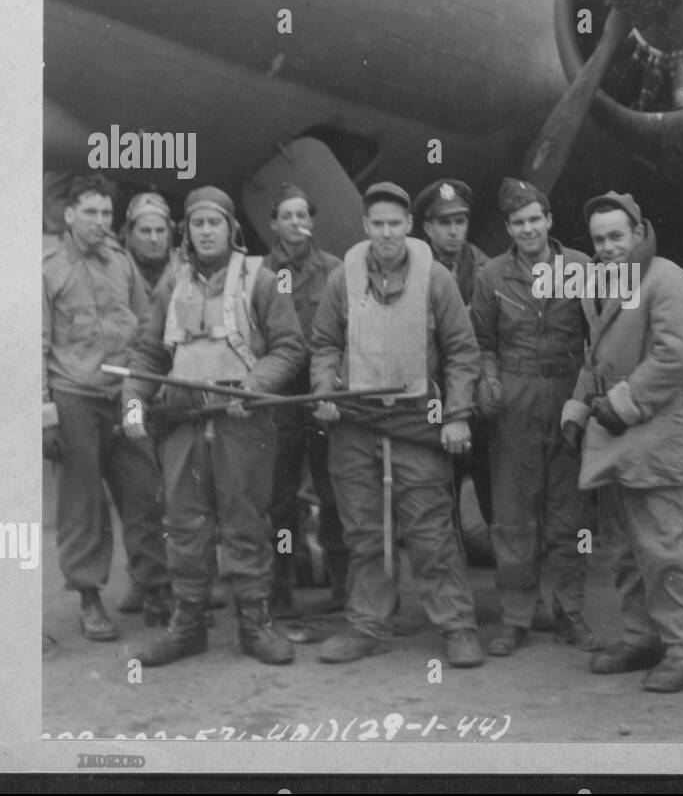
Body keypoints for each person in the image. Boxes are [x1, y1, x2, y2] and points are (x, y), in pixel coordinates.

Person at [122, 186, 306, 666]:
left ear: (232, 229)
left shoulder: (263, 278)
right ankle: (187, 626)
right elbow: (146, 354)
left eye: (215, 223)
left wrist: (254, 386)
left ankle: (255, 624)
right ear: (188, 230)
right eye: (198, 224)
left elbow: (289, 347)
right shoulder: (171, 283)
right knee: (184, 524)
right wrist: (133, 404)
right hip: (183, 420)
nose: (206, 232)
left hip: (243, 421)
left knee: (246, 522)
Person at [309, 182, 485, 668]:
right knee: (365, 531)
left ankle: (457, 625)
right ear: (365, 227)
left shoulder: (437, 279)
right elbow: (323, 343)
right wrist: (325, 388)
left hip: (415, 421)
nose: (386, 233)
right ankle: (368, 625)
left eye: (395, 224)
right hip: (355, 421)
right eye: (377, 224)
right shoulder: (340, 279)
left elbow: (462, 352)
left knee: (430, 531)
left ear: (409, 225)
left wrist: (456, 415)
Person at [560, 191, 683, 693]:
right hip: (612, 437)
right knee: (624, 550)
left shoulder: (667, 279)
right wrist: (578, 409)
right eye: (599, 239)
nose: (607, 247)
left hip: (654, 438)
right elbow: (594, 358)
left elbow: (677, 356)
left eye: (616, 236)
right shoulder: (602, 283)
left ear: (639, 231)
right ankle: (640, 637)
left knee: (662, 549)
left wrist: (623, 404)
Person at [469, 177, 600, 656]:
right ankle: (517, 616)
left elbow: (599, 338)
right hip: (515, 399)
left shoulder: (582, 268)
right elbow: (482, 341)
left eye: (534, 220)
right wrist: (488, 380)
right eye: (518, 222)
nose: (528, 229)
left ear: (549, 221)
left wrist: (585, 398)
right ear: (509, 227)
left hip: (567, 393)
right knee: (513, 515)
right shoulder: (492, 275)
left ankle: (571, 613)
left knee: (571, 516)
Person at [43, 174, 171, 640]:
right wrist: (46, 417)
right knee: (82, 505)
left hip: (124, 396)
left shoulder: (121, 262)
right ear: (70, 215)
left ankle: (156, 588)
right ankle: (89, 597)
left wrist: (141, 387)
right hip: (74, 396)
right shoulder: (48, 266)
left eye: (106, 214)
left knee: (143, 490)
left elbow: (143, 326)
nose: (100, 223)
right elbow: (35, 345)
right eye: (91, 213)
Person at [262, 183, 347, 618]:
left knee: (332, 489)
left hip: (321, 393)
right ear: (273, 223)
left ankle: (341, 584)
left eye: (303, 215)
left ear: (312, 222)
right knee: (281, 497)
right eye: (287, 216)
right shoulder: (259, 273)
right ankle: (280, 586)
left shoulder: (334, 270)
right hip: (279, 398)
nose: (296, 223)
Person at [413, 178, 495, 534]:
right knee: (437, 497)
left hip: (480, 397)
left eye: (459, 222)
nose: (453, 231)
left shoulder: (488, 270)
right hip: (434, 398)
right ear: (428, 228)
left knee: (493, 491)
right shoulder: (414, 271)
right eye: (444, 223)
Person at [114, 191, 178, 617]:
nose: (153, 238)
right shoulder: (115, 270)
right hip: (131, 392)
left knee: (184, 493)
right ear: (129, 233)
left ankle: (191, 581)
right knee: (138, 497)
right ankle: (146, 578)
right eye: (144, 230)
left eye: (160, 230)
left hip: (176, 396)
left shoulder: (187, 269)